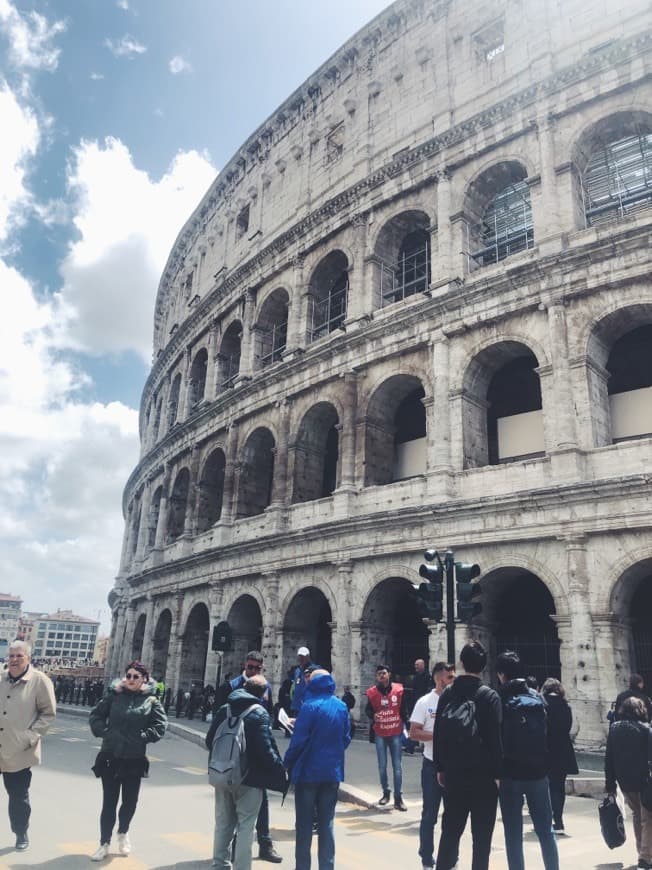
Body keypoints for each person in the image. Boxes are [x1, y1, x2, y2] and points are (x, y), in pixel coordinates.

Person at [206, 674, 287, 870]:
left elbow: (210, 740)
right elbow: (265, 750)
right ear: (264, 692)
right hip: (249, 779)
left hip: (223, 774)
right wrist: (280, 770)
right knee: (245, 826)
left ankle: (219, 865)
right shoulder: (259, 713)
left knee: (223, 824)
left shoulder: (225, 709)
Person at [88, 660, 167, 861]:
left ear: (144, 680)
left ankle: (123, 833)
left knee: (130, 802)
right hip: (110, 756)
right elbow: (96, 716)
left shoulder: (151, 701)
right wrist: (103, 732)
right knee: (109, 803)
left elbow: (160, 725)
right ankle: (103, 843)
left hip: (134, 758)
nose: (131, 679)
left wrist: (144, 736)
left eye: (135, 677)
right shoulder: (114, 696)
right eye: (129, 676)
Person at [433, 641, 502, 870]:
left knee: (450, 832)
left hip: (454, 773)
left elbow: (439, 733)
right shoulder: (489, 696)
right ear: (484, 665)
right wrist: (497, 774)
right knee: (481, 840)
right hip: (483, 777)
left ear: (461, 663)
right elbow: (495, 738)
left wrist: (440, 768)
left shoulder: (448, 693)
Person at [496, 651, 558, 870]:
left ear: (501, 674)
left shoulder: (499, 698)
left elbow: (495, 738)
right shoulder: (537, 696)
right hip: (538, 772)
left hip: (510, 774)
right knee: (546, 831)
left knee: (513, 834)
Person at [284, 668, 351, 870]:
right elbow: (346, 738)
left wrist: (286, 763)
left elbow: (298, 741)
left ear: (312, 684)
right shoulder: (341, 706)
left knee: (304, 826)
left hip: (308, 772)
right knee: (326, 824)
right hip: (332, 772)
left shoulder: (309, 706)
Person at [0, 641, 56, 852]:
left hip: (19, 750)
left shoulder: (40, 681)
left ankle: (21, 831)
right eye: (11, 656)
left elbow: (48, 713)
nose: (13, 660)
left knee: (18, 797)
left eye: (18, 656)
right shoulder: (1, 677)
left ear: (28, 659)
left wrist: (30, 737)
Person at [409, 661, 455, 870]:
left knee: (453, 815)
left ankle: (450, 858)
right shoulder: (425, 702)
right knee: (430, 814)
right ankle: (426, 856)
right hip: (431, 764)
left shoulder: (456, 700)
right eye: (449, 677)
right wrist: (439, 736)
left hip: (454, 765)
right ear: (439, 678)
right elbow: (414, 732)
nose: (452, 680)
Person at [605, 696, 652, 870]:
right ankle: (645, 858)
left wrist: (610, 784)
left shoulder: (614, 729)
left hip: (624, 781)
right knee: (648, 819)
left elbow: (608, 759)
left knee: (637, 815)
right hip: (643, 781)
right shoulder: (645, 729)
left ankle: (641, 851)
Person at [365, 664, 409, 810]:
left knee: (398, 767)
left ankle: (398, 797)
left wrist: (408, 727)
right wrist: (373, 715)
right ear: (376, 677)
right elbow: (368, 710)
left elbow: (404, 710)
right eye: (379, 674)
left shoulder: (399, 690)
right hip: (380, 733)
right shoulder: (372, 693)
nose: (382, 676)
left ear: (389, 674)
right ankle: (386, 792)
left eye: (384, 673)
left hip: (395, 731)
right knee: (382, 766)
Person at [541, 677, 578, 833]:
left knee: (548, 786)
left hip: (547, 749)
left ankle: (549, 820)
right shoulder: (566, 706)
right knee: (559, 787)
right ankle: (559, 821)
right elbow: (569, 727)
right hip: (563, 749)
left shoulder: (543, 704)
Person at [290, 647, 319, 716]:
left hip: (308, 706)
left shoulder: (314, 669)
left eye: (303, 657)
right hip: (296, 707)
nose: (301, 659)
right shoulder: (297, 671)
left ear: (308, 657)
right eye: (300, 656)